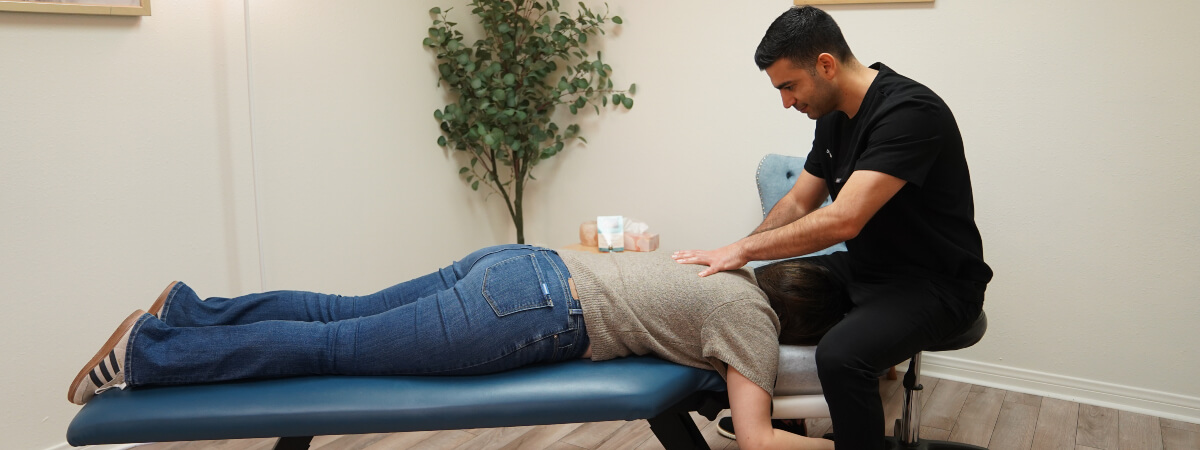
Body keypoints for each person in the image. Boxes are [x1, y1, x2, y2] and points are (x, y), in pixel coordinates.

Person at [69, 244, 845, 450]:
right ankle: (148, 355)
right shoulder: (753, 321)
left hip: (520, 265)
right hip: (528, 311)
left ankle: (193, 314)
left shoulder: (726, 270)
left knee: (345, 313)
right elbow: (757, 440)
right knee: (338, 350)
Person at [671, 6, 993, 449]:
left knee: (842, 357)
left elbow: (845, 218)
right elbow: (802, 200)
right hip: (867, 269)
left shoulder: (911, 111)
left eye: (789, 86)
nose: (786, 101)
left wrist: (744, 251)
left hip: (936, 286)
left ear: (825, 64)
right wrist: (739, 251)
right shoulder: (832, 118)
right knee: (744, 295)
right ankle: (782, 423)